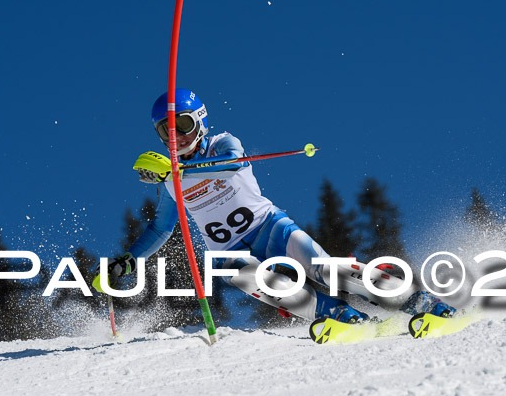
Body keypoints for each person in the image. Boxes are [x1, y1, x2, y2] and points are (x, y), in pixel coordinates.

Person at [94, 88, 455, 323]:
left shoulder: (221, 143)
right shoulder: (171, 181)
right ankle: (339, 317)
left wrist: (177, 169)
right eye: (166, 131)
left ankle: (418, 301)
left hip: (270, 228)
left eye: (184, 125)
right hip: (230, 252)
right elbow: (162, 227)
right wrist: (129, 260)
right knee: (246, 276)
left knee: (325, 271)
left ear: (200, 121)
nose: (178, 137)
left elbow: (233, 163)